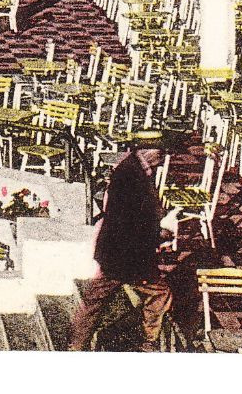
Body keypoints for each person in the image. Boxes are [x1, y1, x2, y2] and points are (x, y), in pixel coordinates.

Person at [69, 144, 175, 351]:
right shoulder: (132, 177)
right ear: (149, 152)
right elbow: (132, 222)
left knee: (93, 302)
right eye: (160, 154)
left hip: (114, 254)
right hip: (128, 258)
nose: (162, 160)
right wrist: (157, 234)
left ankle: (76, 345)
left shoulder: (131, 169)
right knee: (161, 294)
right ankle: (149, 342)